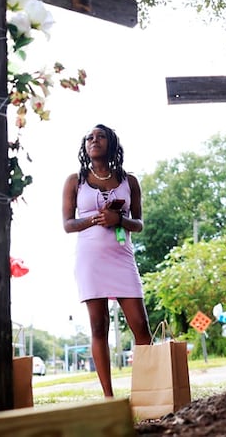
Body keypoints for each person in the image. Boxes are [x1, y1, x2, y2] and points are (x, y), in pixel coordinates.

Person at [62, 124, 152, 397]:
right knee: (99, 326)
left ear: (111, 144)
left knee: (141, 327)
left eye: (100, 137)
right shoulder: (74, 180)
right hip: (90, 259)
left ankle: (147, 392)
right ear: (85, 146)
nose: (94, 140)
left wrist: (119, 219)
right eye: (90, 137)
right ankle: (109, 397)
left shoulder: (129, 181)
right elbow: (67, 224)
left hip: (122, 258)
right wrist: (94, 218)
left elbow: (138, 224)